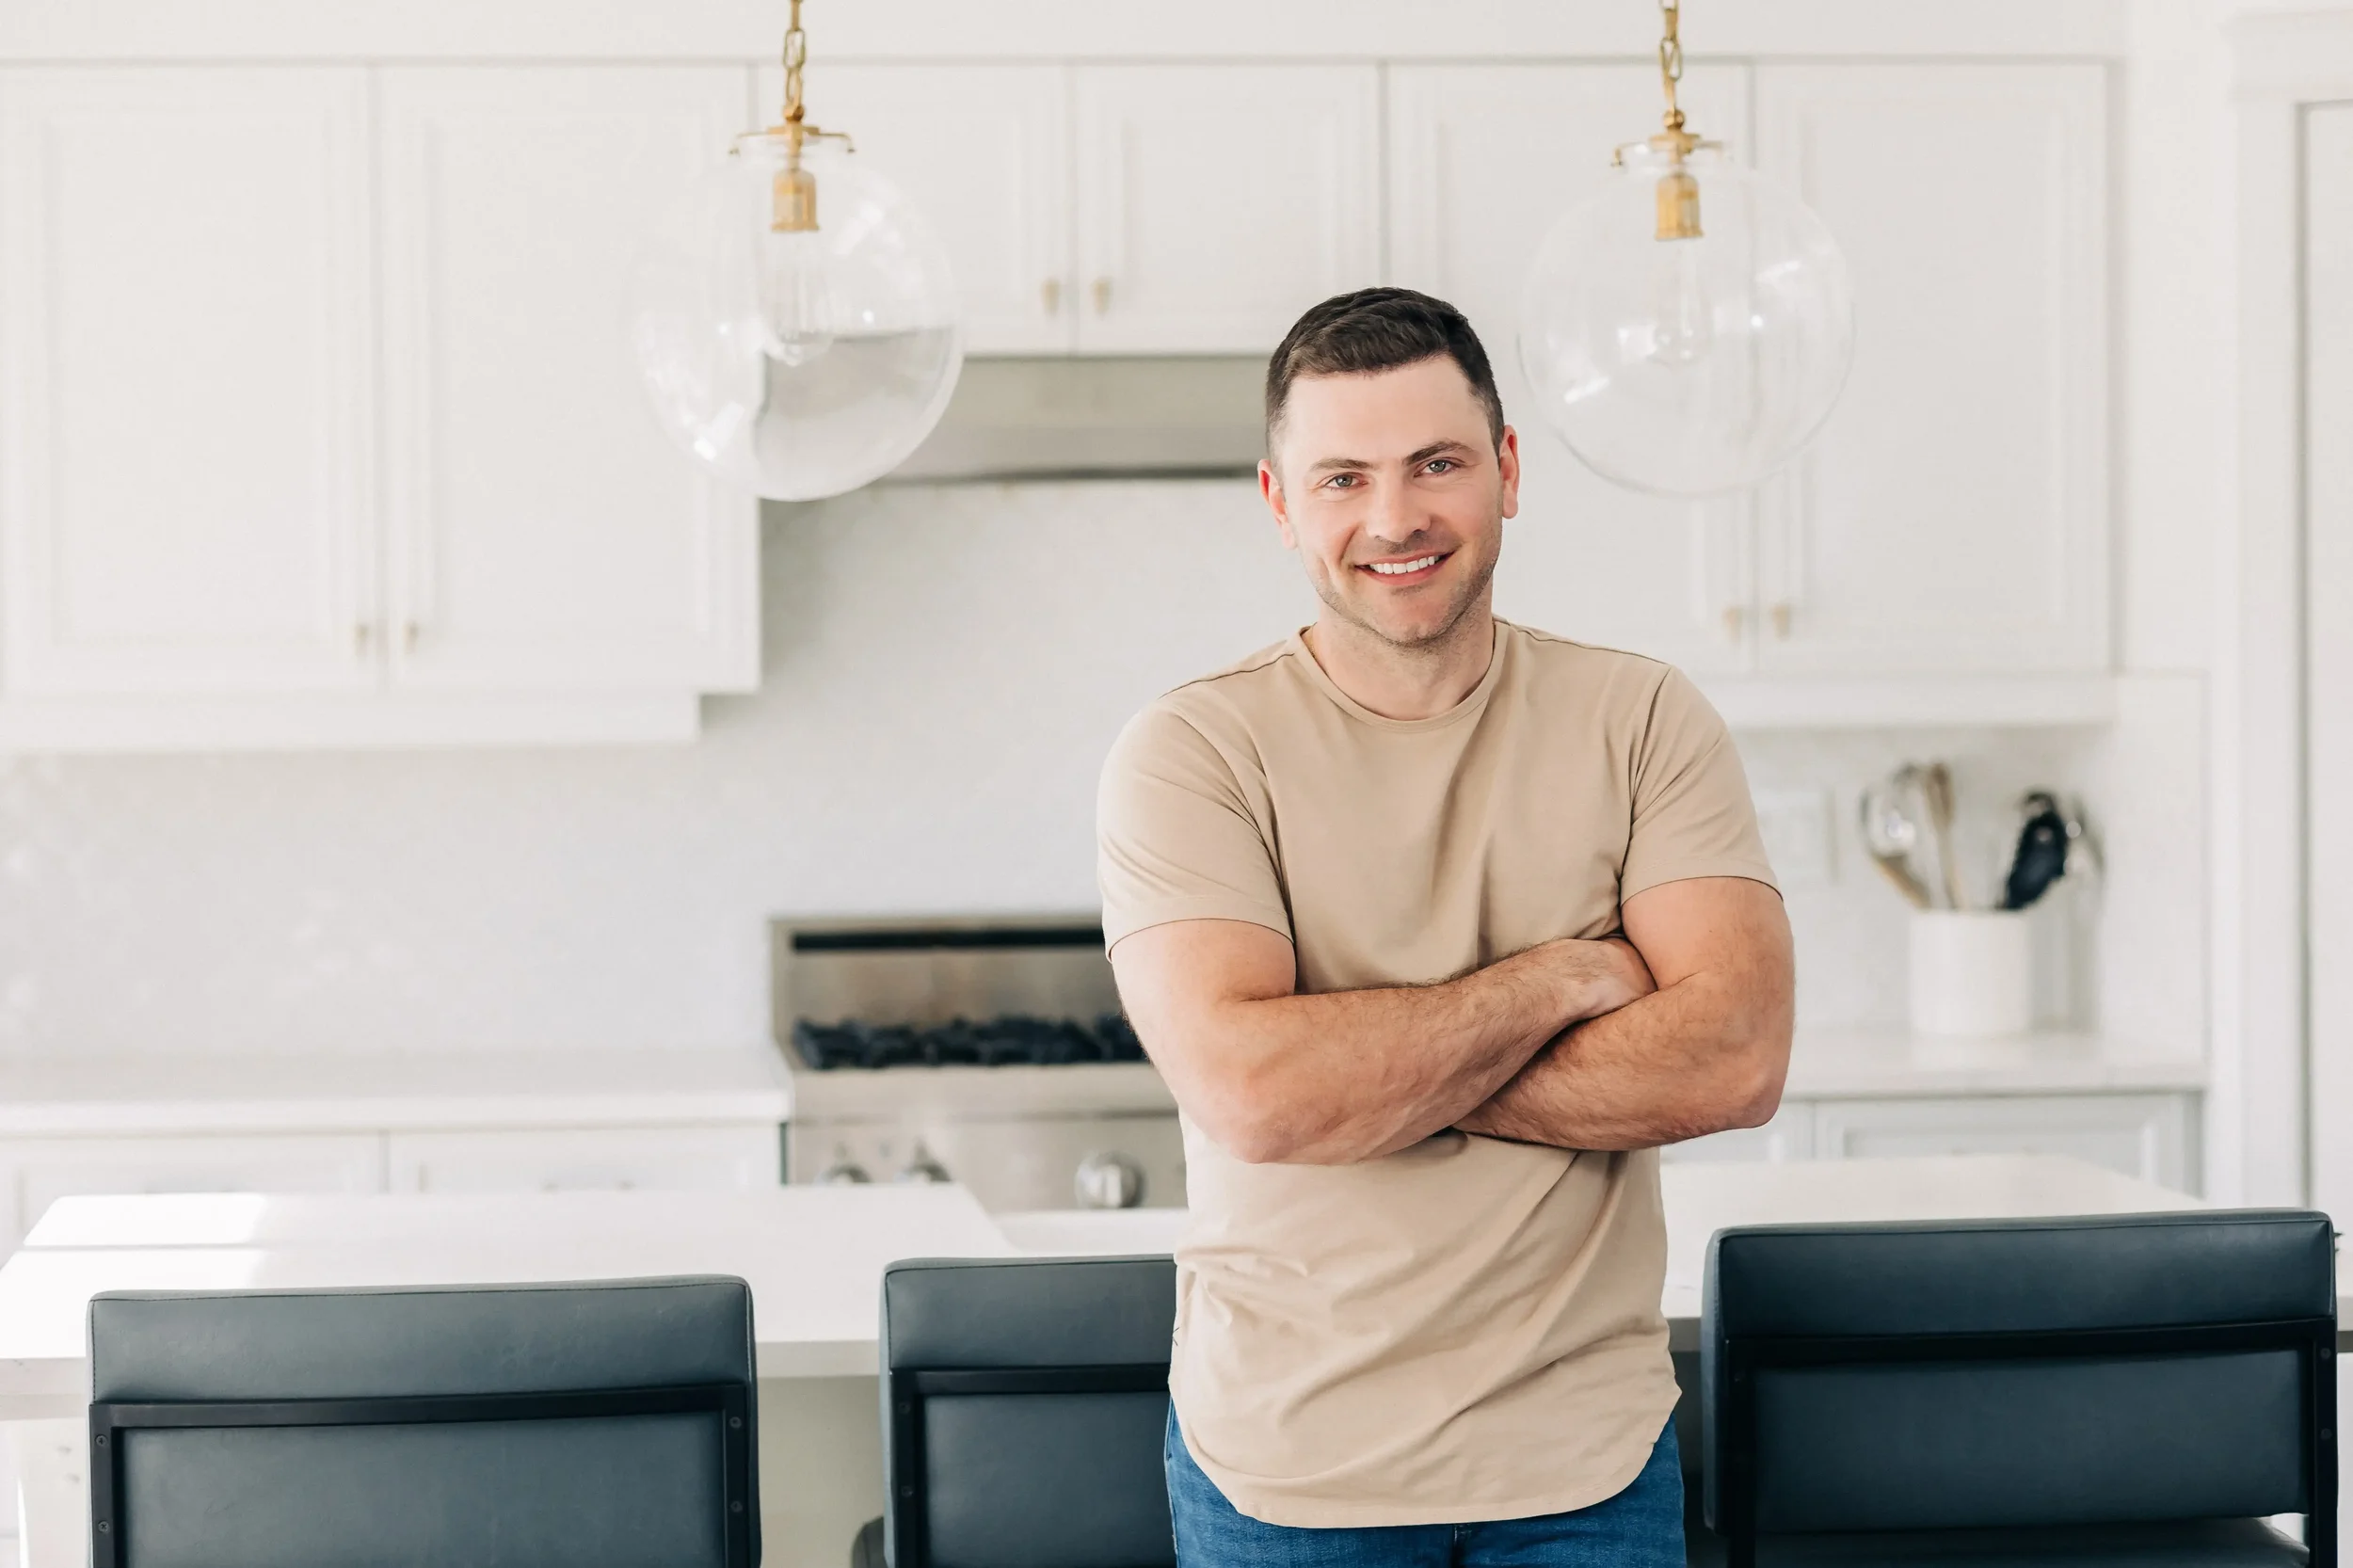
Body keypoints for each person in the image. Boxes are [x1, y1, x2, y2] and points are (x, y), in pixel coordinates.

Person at [1095, 286, 1796, 1567]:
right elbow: (1261, 1096)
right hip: (1288, 1475)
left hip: (1586, 1460)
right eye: (1343, 476)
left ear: (1508, 470)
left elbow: (1736, 1054)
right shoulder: (1195, 750)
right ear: (1278, 502)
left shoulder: (1640, 718)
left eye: (1437, 464)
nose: (1394, 516)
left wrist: (1378, 1072)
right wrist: (1570, 977)